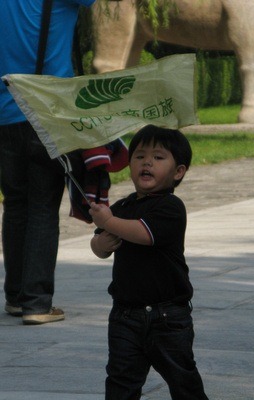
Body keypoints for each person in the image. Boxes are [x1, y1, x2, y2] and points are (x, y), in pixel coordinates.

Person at [89, 125, 209, 400]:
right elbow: (99, 245)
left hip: (167, 316)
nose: (147, 162)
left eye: (158, 157)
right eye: (139, 156)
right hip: (124, 315)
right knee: (121, 380)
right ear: (129, 165)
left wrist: (109, 221)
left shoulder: (170, 207)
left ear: (178, 172)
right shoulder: (122, 207)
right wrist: (101, 244)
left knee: (183, 379)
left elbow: (144, 234)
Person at [0, 0, 97, 325]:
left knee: (15, 204)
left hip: (4, 111)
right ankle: (37, 302)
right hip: (49, 110)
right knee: (42, 206)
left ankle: (15, 297)